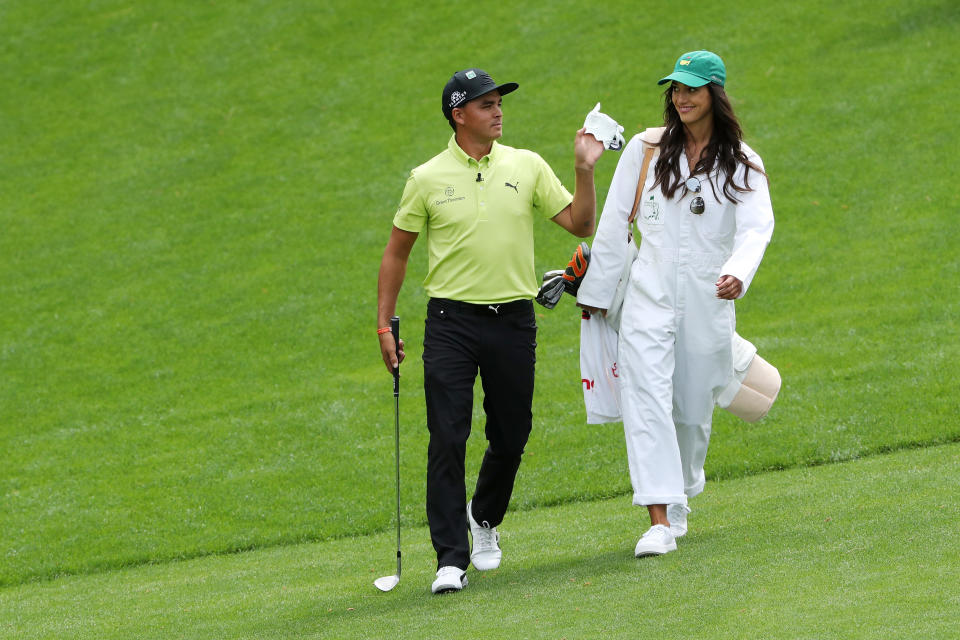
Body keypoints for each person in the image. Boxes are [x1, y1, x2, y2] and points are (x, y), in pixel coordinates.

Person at [376, 68, 605, 593]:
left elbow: (580, 224)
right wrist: (385, 324)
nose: (498, 111)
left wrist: (583, 170)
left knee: (511, 433)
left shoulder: (525, 166)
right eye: (486, 104)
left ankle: (484, 515)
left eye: (499, 102)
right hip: (449, 323)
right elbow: (396, 254)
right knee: (447, 437)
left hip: (513, 320)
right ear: (459, 115)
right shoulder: (426, 178)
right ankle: (449, 559)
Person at [577, 51, 774, 557]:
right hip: (647, 295)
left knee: (690, 408)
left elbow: (757, 227)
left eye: (691, 89)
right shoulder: (647, 148)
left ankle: (682, 489)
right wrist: (598, 294)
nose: (681, 98)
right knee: (645, 400)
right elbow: (616, 219)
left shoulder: (743, 161)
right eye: (675, 90)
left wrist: (738, 272)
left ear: (715, 94)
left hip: (708, 300)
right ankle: (658, 517)